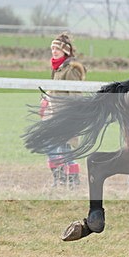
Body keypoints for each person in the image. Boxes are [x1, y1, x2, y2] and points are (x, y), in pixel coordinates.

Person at [39, 33, 87, 188]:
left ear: (65, 51)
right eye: (52, 48)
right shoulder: (58, 68)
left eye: (57, 49)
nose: (53, 51)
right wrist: (46, 99)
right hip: (53, 116)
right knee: (50, 146)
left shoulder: (71, 70)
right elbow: (56, 91)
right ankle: (60, 178)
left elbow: (75, 96)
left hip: (65, 116)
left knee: (63, 149)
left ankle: (71, 180)